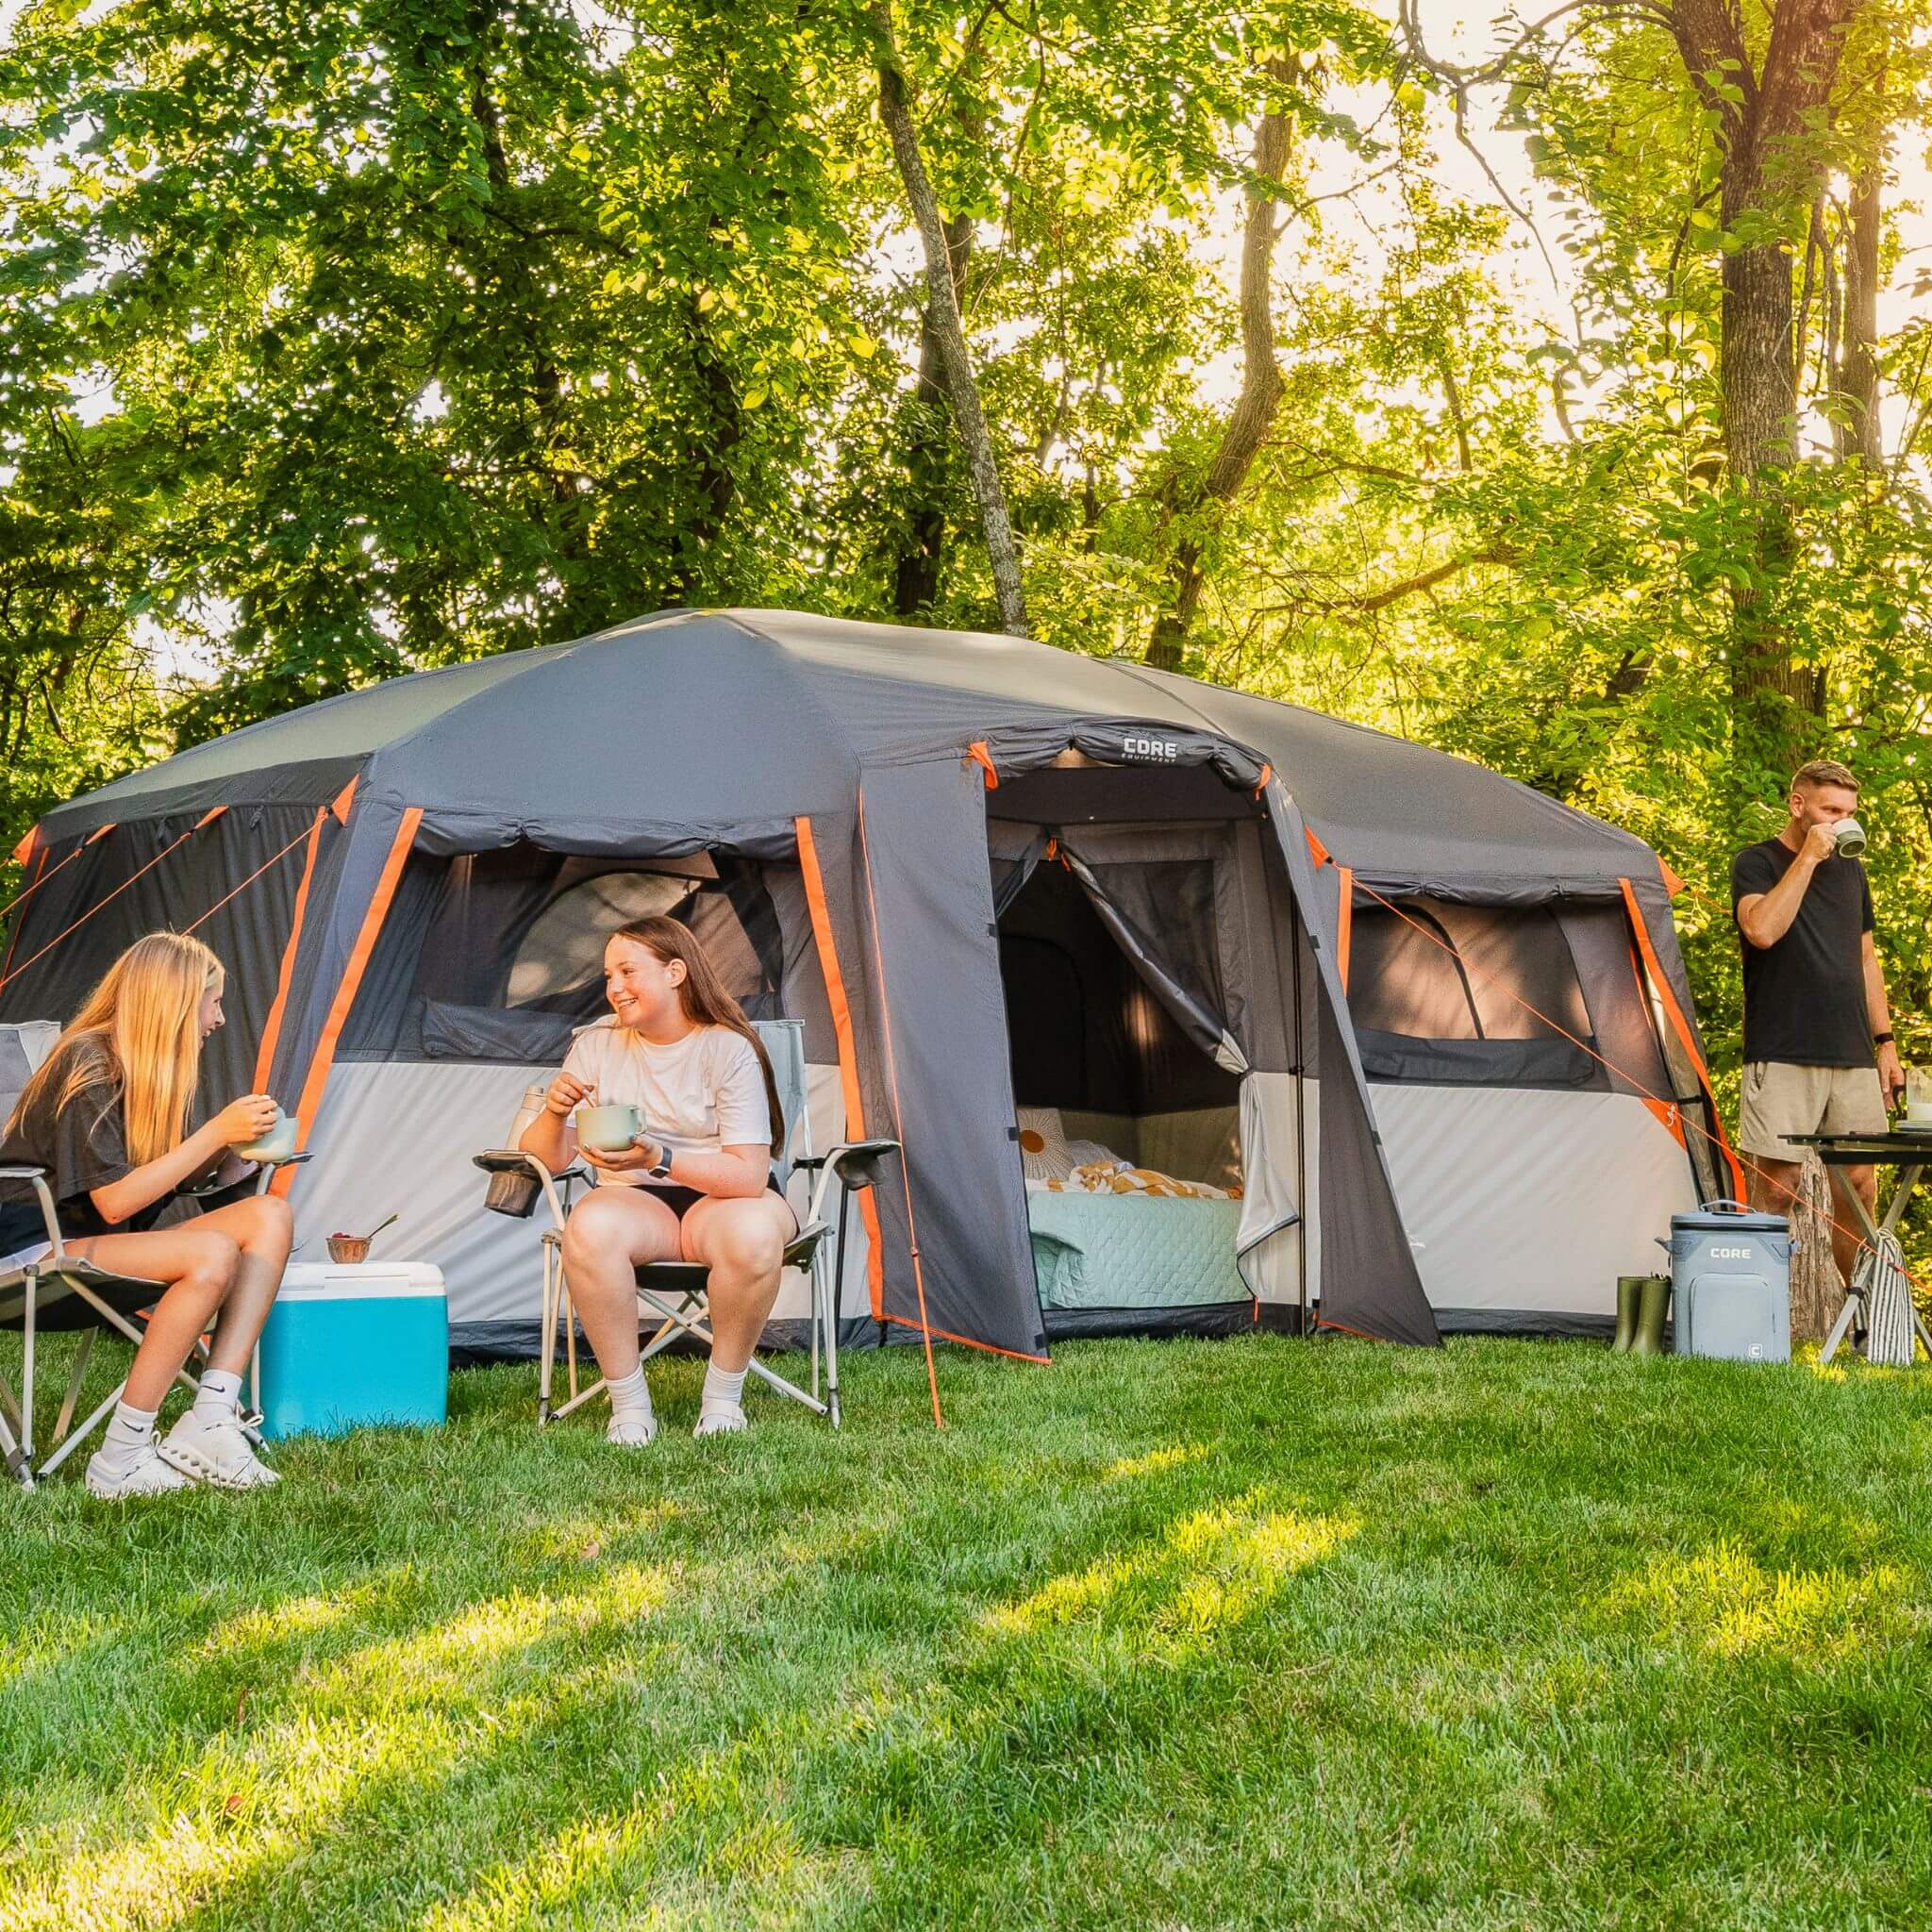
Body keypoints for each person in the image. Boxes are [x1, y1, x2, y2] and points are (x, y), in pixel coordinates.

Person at [0, 932, 293, 1497]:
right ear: (175, 1001)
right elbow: (113, 1201)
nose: (221, 1018)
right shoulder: (87, 1063)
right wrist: (213, 1131)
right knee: (211, 1252)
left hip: (93, 1245)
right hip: (32, 1252)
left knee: (268, 1216)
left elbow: (157, 1181)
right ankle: (121, 1458)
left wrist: (232, 1153)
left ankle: (210, 1414)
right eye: (213, 1001)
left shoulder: (148, 1074)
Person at [519, 915, 795, 1445]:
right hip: (635, 1199)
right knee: (589, 1227)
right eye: (607, 976)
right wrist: (554, 1115)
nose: (614, 988)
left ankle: (722, 1400)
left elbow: (749, 1173)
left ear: (675, 972)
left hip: (725, 1197)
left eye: (627, 971)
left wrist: (661, 1156)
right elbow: (546, 1161)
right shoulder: (597, 1043)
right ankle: (627, 1406)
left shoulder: (727, 1048)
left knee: (753, 1234)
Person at [1732, 758, 1903, 1282]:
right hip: (1782, 1049)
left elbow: (1865, 958)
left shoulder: (1854, 872)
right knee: (1777, 1187)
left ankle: (1862, 1327)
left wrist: (1886, 1043)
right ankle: (1756, 1323)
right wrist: (1807, 858)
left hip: (1851, 1053)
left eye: (1849, 812)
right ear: (1798, 805)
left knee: (1860, 1187)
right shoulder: (1756, 862)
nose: (1841, 820)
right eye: (1831, 810)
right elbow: (1762, 930)